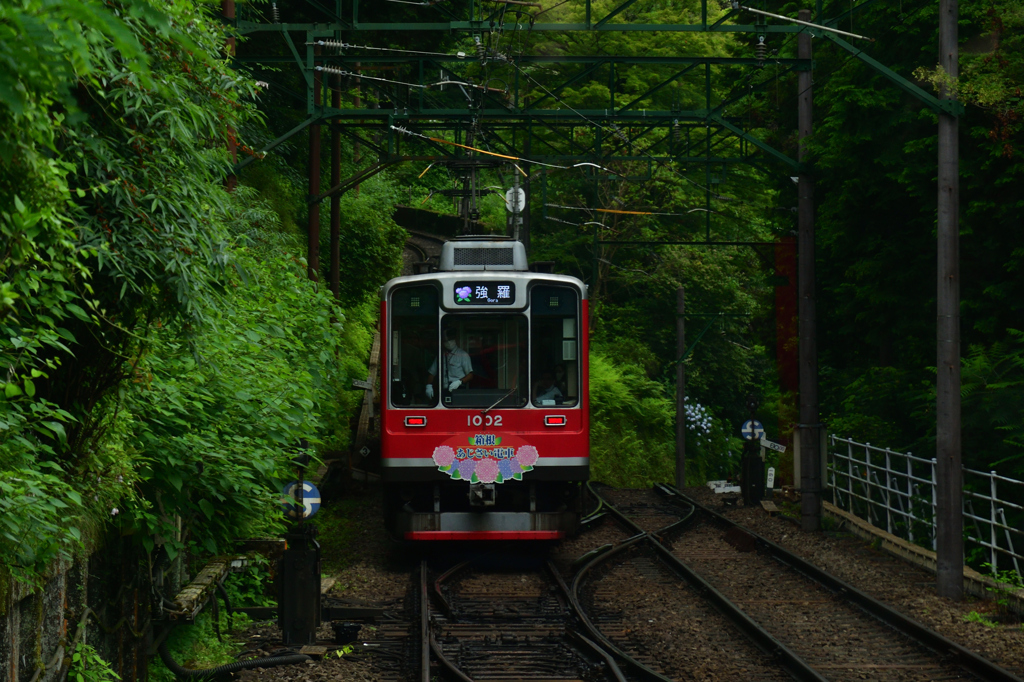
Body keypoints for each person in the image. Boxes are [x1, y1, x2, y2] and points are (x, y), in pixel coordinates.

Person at [426, 329, 474, 399]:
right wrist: (428, 385)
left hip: (458, 389)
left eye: (450, 339)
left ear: (455, 340)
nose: (448, 342)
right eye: (445, 340)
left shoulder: (463, 355)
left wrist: (459, 382)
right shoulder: (440, 355)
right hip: (442, 389)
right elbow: (432, 373)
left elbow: (470, 375)